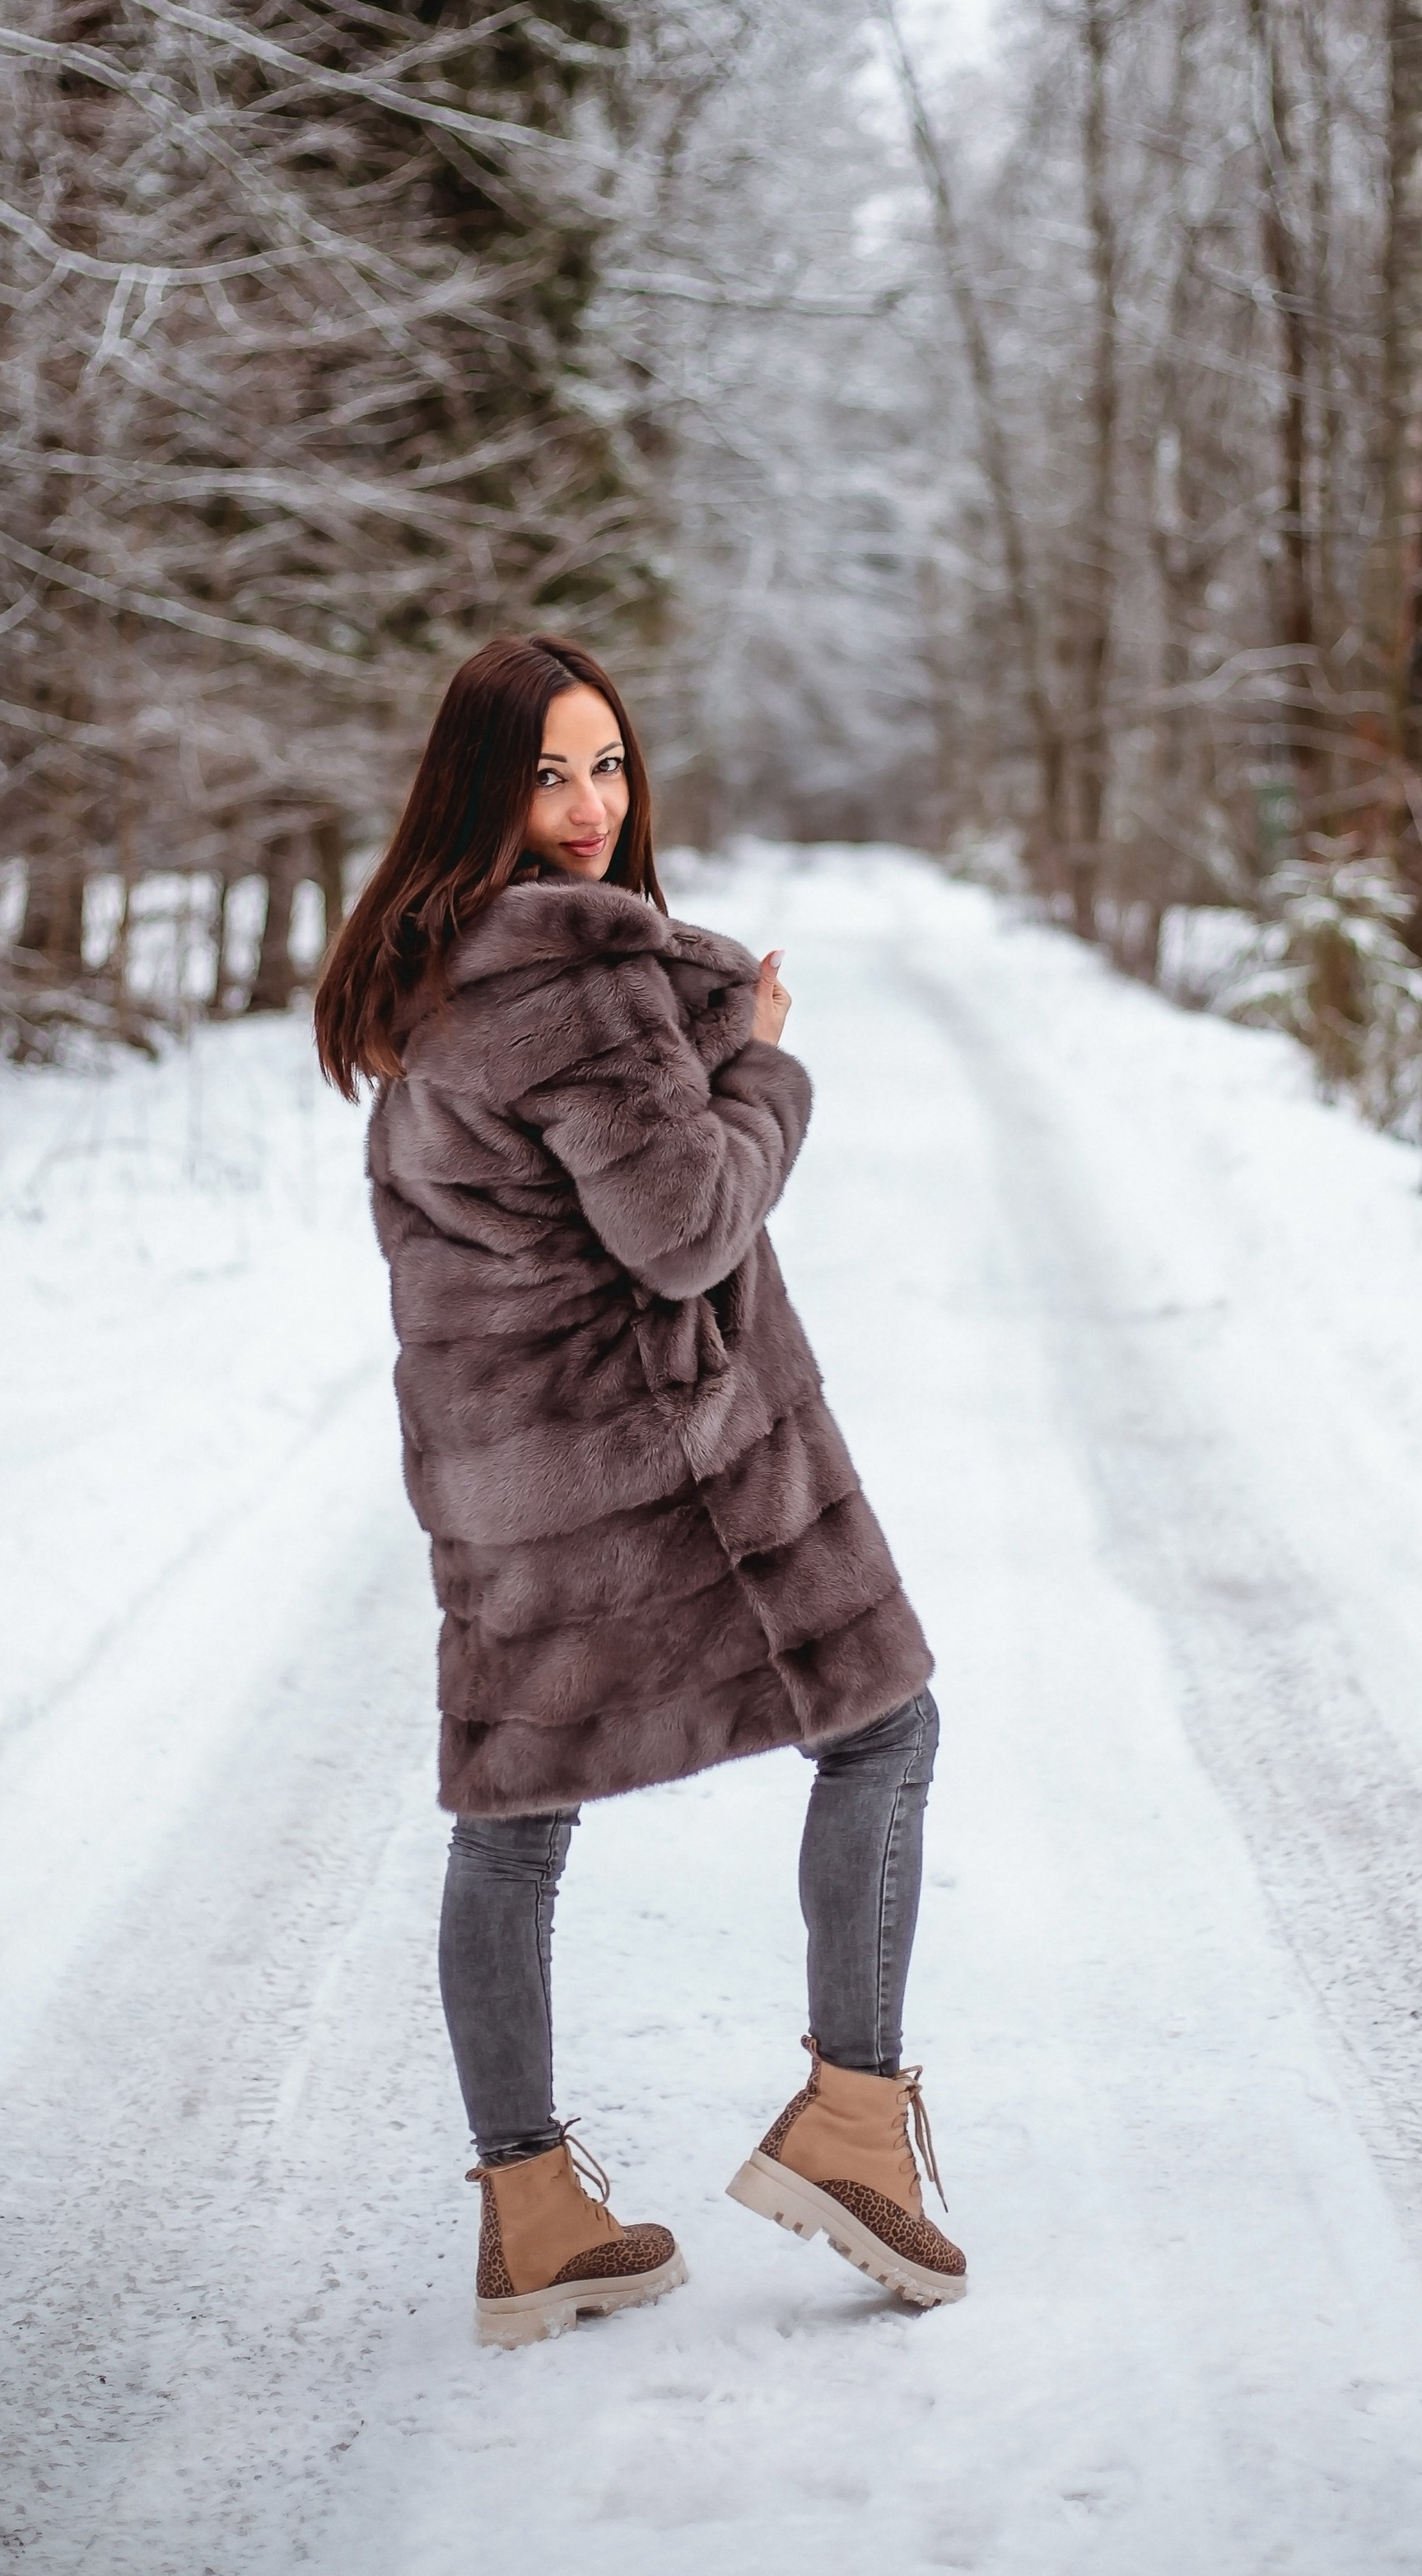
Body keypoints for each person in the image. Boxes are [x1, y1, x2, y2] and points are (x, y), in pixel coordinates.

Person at [315, 633, 963, 2350]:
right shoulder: (576, 977)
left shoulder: (434, 968)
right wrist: (757, 1056)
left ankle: (528, 2211)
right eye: (545, 771)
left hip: (503, 1467)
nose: (589, 806)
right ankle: (847, 2124)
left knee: (514, 1822)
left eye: (606, 764)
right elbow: (682, 1227)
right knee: (884, 1729)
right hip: (654, 1453)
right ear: (483, 787)